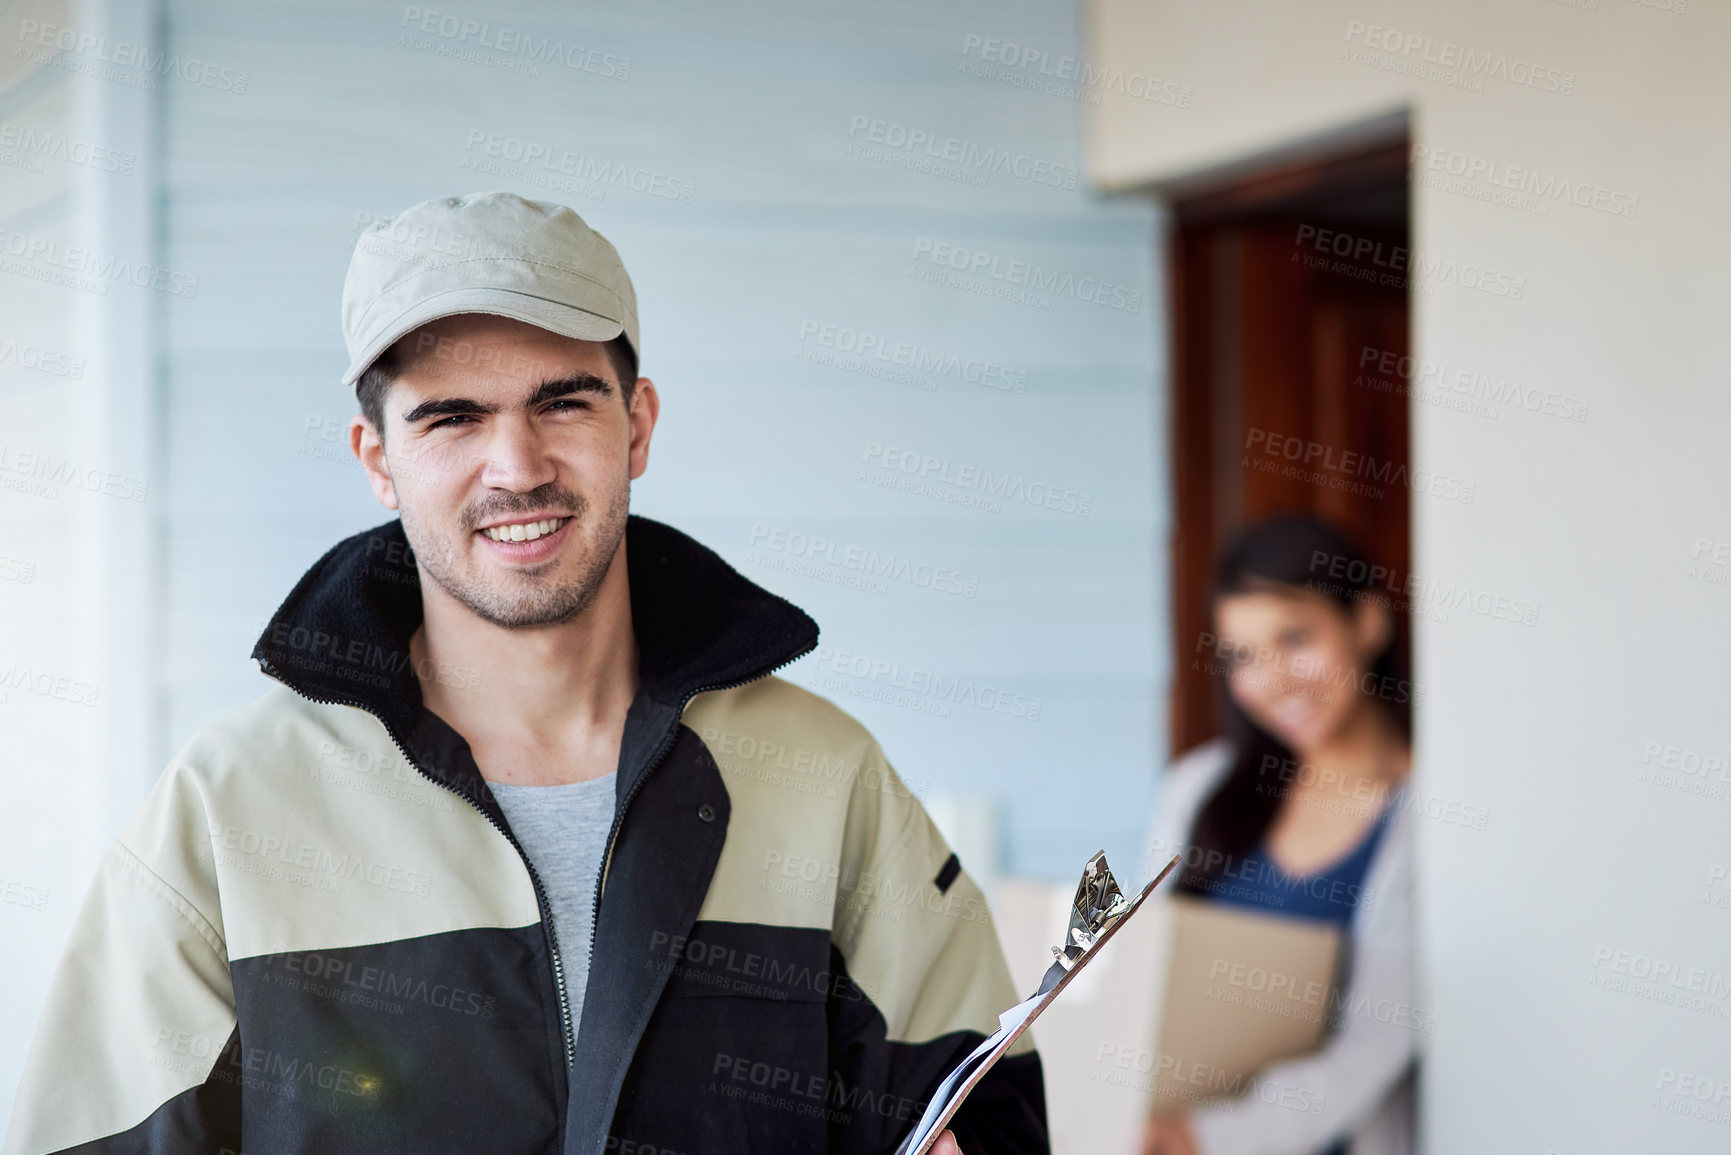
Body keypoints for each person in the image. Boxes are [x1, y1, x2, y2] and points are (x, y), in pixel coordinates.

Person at [3, 192, 1047, 1155]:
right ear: (377, 459)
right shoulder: (229, 808)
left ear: (635, 424)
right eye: (451, 416)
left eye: (563, 402)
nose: (516, 467)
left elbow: (992, 1112)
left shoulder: (825, 777)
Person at [1139, 516, 1420, 1155]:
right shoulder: (1197, 790)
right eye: (1243, 655)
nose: (1272, 681)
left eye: (1295, 637)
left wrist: (1204, 1139)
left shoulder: (1423, 817)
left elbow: (1381, 1040)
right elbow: (1142, 979)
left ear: (1368, 623)